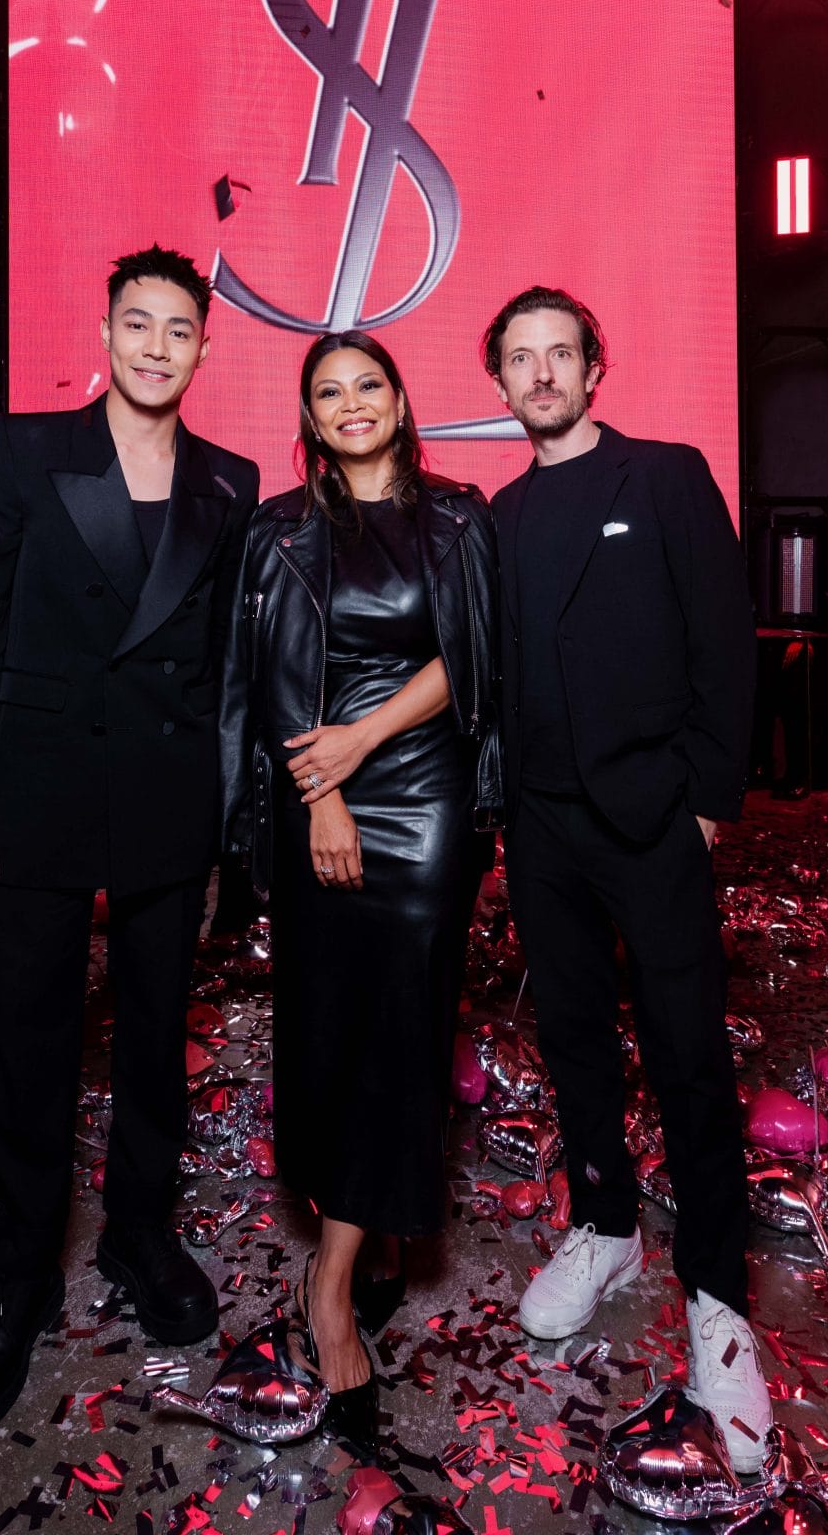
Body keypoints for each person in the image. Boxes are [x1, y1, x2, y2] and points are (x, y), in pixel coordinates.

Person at [0, 246, 258, 1441]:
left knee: (157, 1040)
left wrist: (227, 817)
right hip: (38, 788)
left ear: (204, 346)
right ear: (106, 331)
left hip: (167, 793)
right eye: (138, 324)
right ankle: (17, 1279)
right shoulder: (27, 450)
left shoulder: (232, 478)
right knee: (27, 1043)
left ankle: (137, 1233)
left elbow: (222, 669)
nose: (157, 346)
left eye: (179, 329)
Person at [480, 286, 771, 1473]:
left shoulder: (666, 477)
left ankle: (719, 1294)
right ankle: (603, 1226)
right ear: (499, 385)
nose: (541, 373)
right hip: (542, 830)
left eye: (561, 353)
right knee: (575, 1040)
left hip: (654, 822)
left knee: (691, 1057)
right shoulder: (494, 519)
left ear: (595, 369)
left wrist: (706, 806)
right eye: (520, 358)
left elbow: (725, 640)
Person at [220, 331, 499, 1447]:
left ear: (398, 396)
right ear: (311, 415)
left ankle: (330, 1278)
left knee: (405, 1027)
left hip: (424, 797)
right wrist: (321, 792)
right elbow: (266, 678)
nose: (350, 404)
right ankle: (362, 1238)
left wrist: (364, 744)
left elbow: (474, 652)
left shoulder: (461, 514)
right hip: (312, 797)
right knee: (330, 1025)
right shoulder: (277, 530)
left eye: (367, 384)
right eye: (327, 391)